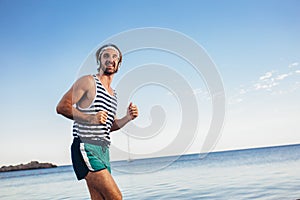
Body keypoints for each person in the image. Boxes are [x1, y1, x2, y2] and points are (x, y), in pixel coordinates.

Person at [56, 44, 138, 200]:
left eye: (115, 57)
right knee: (115, 197)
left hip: (103, 151)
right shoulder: (88, 81)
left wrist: (127, 118)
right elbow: (62, 107)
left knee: (99, 198)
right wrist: (90, 118)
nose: (110, 59)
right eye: (106, 56)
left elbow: (108, 126)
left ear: (119, 64)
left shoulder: (114, 95)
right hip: (86, 146)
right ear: (99, 61)